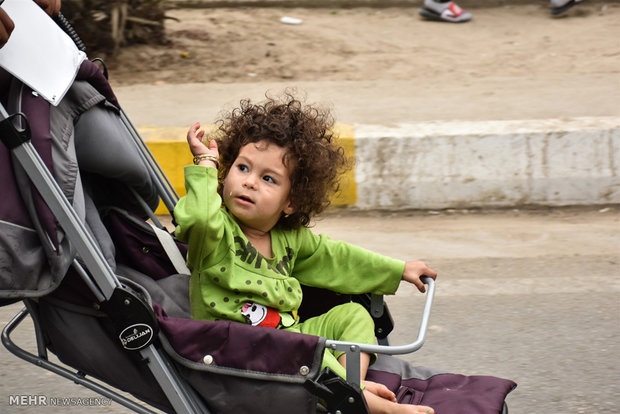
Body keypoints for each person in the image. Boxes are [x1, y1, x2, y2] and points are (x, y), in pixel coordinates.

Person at [174, 93, 438, 414]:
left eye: (268, 178)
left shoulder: (289, 238)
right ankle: (368, 404)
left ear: (291, 203)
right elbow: (198, 216)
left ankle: (351, 386)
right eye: (242, 168)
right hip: (238, 355)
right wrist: (205, 163)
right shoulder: (214, 235)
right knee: (312, 356)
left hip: (290, 340)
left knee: (353, 316)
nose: (250, 182)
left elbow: (337, 259)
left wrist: (397, 270)